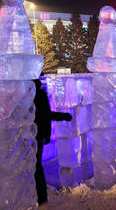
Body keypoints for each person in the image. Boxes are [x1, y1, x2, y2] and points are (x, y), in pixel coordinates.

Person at [33, 75, 72, 209]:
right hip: (37, 135)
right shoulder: (40, 94)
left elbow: (45, 115)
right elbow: (47, 115)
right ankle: (41, 199)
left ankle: (40, 199)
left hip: (32, 135)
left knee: (35, 167)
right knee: (36, 167)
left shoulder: (28, 94)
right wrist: (64, 116)